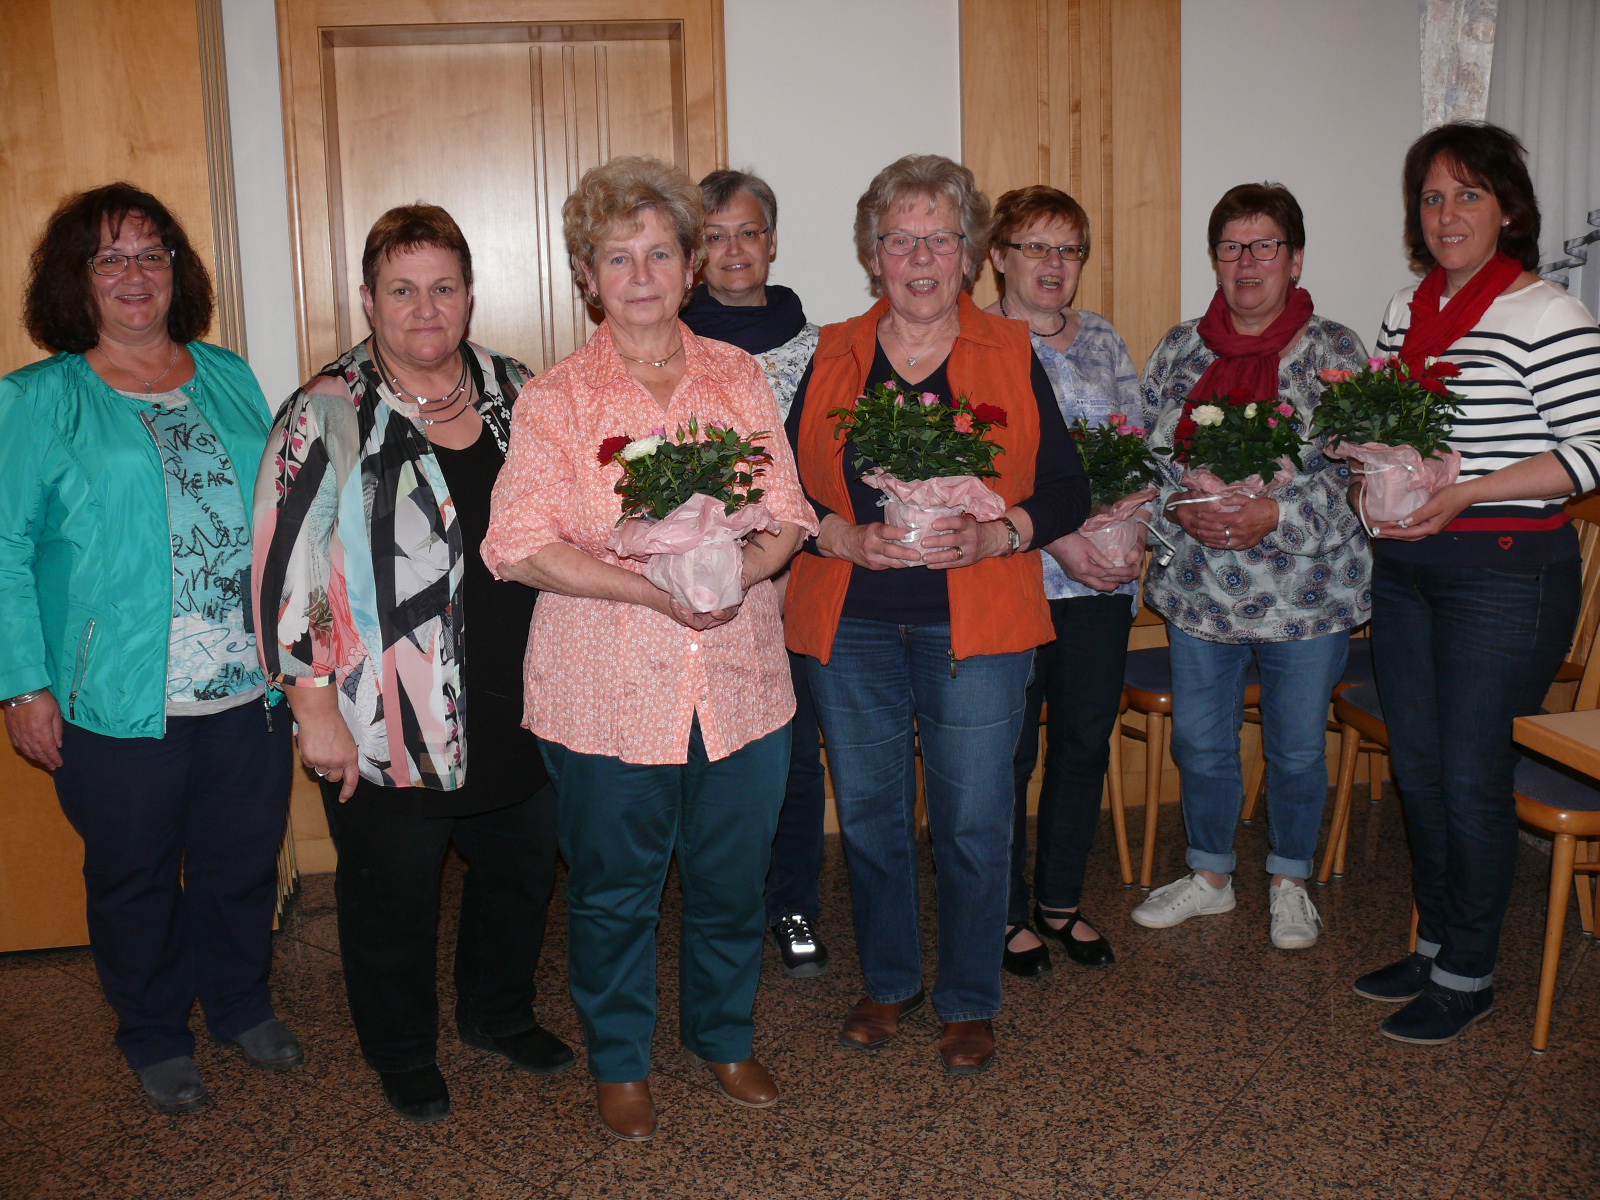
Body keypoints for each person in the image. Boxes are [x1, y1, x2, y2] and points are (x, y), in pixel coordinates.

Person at [483, 156, 815, 1141]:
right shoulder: (557, 398)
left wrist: (733, 577)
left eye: (659, 252)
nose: (640, 274)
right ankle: (621, 1059)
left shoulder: (737, 375)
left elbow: (789, 513)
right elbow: (517, 545)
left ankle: (722, 1034)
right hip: (607, 689)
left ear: (691, 265)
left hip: (743, 682)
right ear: (586, 275)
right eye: (616, 257)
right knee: (615, 889)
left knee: (730, 879)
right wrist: (655, 589)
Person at [252, 205, 571, 1123]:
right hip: (387, 715)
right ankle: (401, 1051)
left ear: (469, 296)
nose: (424, 308)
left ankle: (498, 1013)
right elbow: (288, 571)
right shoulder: (326, 410)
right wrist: (314, 711)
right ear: (368, 299)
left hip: (523, 698)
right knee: (390, 901)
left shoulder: (520, 390)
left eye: (442, 287)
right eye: (402, 289)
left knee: (519, 876)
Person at [785, 155, 1089, 1075]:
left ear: (968, 255)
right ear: (873, 255)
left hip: (979, 627)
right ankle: (888, 983)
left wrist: (1002, 535)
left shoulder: (1010, 349)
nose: (920, 256)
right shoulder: (833, 350)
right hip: (854, 623)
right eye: (900, 238)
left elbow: (1069, 489)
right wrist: (837, 535)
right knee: (873, 817)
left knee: (972, 818)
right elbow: (782, 489)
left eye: (940, 237)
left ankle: (966, 997)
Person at [0, 183, 297, 1115]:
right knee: (132, 873)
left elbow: (278, 514)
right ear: (75, 281)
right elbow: (4, 547)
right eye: (110, 258)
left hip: (248, 686)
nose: (136, 275)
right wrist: (22, 683)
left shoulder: (228, 376)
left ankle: (241, 1003)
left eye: (152, 254)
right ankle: (156, 1031)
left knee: (241, 860)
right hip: (116, 693)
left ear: (178, 272)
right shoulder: (37, 399)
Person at [1352, 123, 1600, 1044]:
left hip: (1504, 577)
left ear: (1508, 207)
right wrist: (1364, 475)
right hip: (1409, 569)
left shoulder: (1547, 314)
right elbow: (1380, 424)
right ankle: (1435, 943)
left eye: (1468, 194)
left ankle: (1470, 971)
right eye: (1431, 196)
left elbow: (1589, 455)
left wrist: (1465, 495)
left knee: (1469, 776)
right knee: (1418, 771)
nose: (1448, 213)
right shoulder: (1403, 309)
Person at [1132, 183, 1369, 950]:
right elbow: (1145, 460)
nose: (1247, 262)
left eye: (1265, 245)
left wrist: (1276, 513)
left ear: (1295, 259)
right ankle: (1208, 876)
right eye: (1232, 246)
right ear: (1215, 258)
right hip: (1201, 589)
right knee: (1200, 741)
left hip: (1307, 593)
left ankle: (1290, 879)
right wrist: (1179, 510)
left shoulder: (1335, 351)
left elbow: (1366, 477)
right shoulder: (1179, 348)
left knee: (1297, 745)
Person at [982, 185, 1144, 977]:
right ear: (998, 257)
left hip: (1101, 586)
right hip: (1013, 576)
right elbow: (971, 474)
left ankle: (1061, 902)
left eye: (1068, 249)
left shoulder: (1104, 338)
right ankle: (1006, 912)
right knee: (1007, 752)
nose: (1053, 264)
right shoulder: (973, 341)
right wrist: (1065, 537)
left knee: (1082, 741)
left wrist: (1130, 523)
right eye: (1035, 247)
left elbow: (1136, 443)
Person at [680, 168, 828, 978]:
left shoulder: (824, 345)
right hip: (701, 585)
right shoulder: (671, 342)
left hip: (805, 581)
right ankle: (713, 912)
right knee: (707, 759)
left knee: (794, 755)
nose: (734, 250)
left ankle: (794, 904)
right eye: (714, 235)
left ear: (771, 243)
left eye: (748, 232)